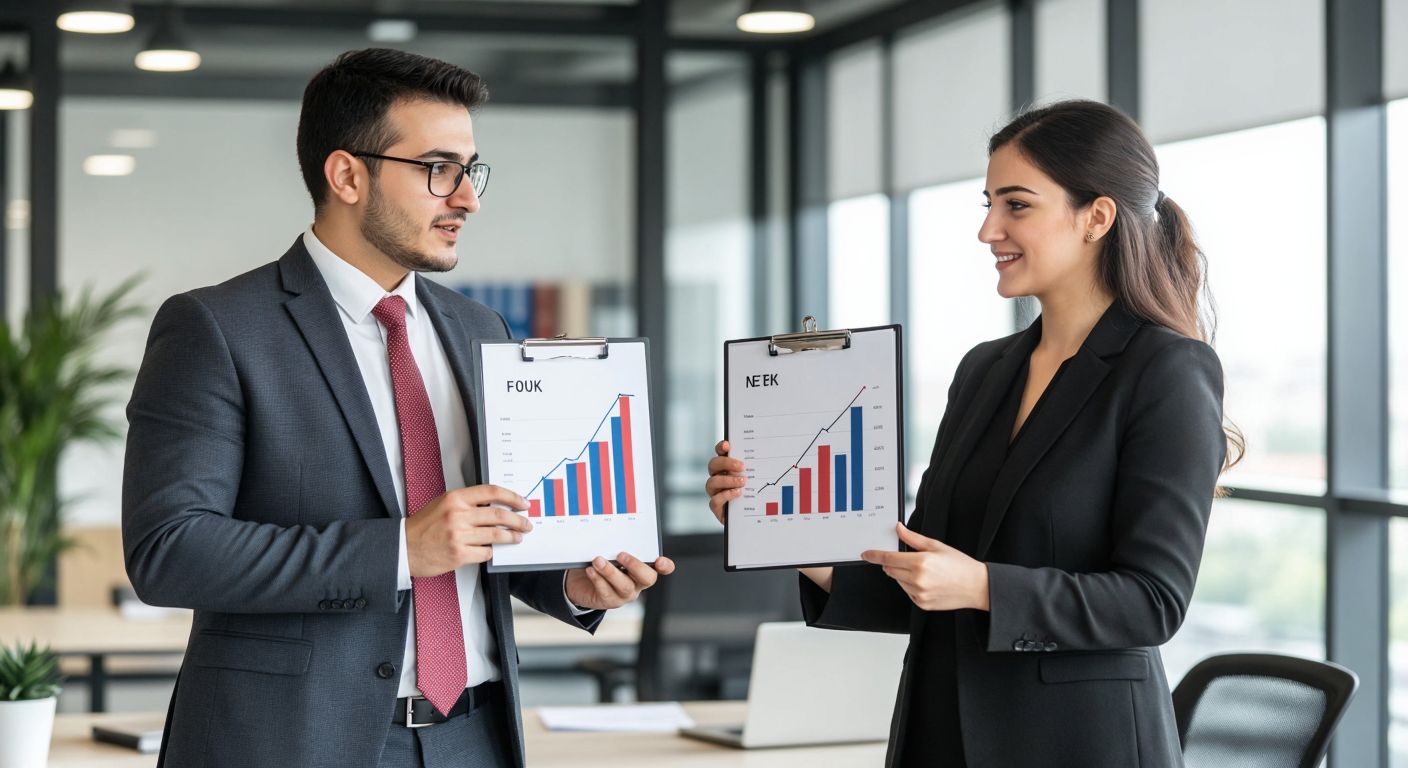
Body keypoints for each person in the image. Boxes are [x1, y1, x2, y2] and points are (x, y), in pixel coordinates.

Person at [122, 48, 674, 768]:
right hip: (293, 743)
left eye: (470, 170)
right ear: (347, 175)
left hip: (475, 736)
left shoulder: (479, 328)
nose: (467, 199)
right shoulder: (218, 329)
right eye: (438, 169)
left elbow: (490, 532)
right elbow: (170, 551)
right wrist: (400, 551)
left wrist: (572, 584)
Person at [706, 99, 1241, 768]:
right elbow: (925, 575)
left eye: (1017, 205)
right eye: (988, 204)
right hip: (938, 735)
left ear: (1096, 217)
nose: (989, 230)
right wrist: (775, 528)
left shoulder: (1166, 369)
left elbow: (1153, 602)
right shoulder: (986, 369)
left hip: (1076, 745)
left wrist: (983, 587)